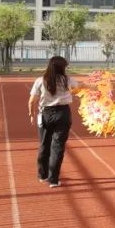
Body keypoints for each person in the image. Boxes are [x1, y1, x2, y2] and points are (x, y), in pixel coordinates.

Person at [27, 56, 82, 188]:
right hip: (63, 114)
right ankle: (53, 180)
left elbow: (31, 101)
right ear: (62, 68)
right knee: (57, 147)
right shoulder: (67, 80)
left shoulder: (40, 80)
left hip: (45, 114)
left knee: (44, 144)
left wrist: (31, 114)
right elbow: (80, 86)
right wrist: (93, 86)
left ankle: (43, 175)